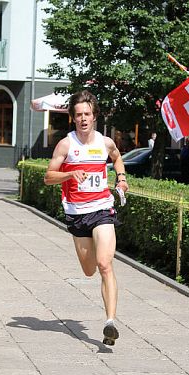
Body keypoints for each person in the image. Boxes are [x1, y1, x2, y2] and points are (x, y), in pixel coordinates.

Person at [44, 90, 128, 346]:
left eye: (87, 114)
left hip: (102, 208)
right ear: (73, 118)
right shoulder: (66, 145)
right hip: (77, 214)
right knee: (89, 269)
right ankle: (109, 317)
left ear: (95, 117)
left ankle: (110, 322)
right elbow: (48, 177)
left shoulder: (105, 142)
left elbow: (117, 158)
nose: (83, 119)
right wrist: (70, 175)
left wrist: (121, 179)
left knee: (105, 265)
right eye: (78, 115)